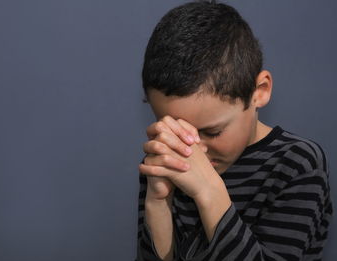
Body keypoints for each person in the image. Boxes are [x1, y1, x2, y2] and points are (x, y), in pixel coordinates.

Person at [135, 1, 333, 260]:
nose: (194, 150)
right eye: (174, 130)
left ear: (259, 92)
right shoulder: (167, 160)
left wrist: (207, 190)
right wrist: (157, 204)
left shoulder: (296, 164)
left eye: (213, 132)